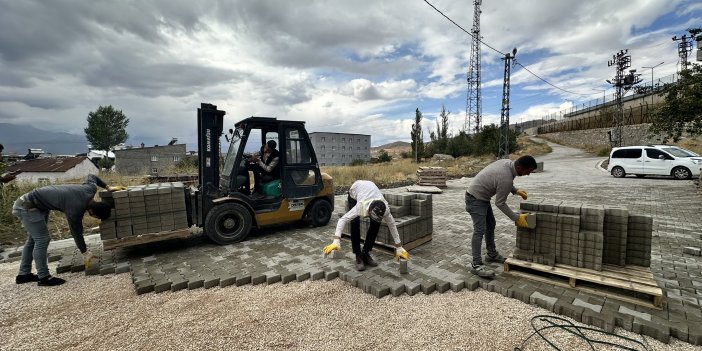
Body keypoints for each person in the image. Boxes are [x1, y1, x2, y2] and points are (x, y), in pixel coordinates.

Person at [12, 174, 115, 286]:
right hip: (27, 207)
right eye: (97, 217)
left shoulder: (90, 189)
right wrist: (85, 252)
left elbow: (91, 177)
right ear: (92, 213)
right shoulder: (76, 209)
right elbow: (76, 232)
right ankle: (44, 277)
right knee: (42, 239)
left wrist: (107, 187)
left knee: (33, 240)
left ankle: (23, 275)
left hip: (37, 205)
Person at [465, 155, 537, 279]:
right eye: (527, 171)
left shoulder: (508, 164)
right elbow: (500, 203)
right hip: (475, 199)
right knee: (479, 230)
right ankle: (476, 264)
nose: (528, 174)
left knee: (491, 224)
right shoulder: (506, 177)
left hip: (481, 197)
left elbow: (501, 181)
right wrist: (516, 218)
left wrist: (514, 190)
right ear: (519, 167)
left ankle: (491, 254)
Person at [322, 180, 409, 271]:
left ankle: (365, 252)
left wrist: (399, 246)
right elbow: (343, 219)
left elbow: (392, 225)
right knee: (354, 223)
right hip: (355, 193)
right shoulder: (361, 206)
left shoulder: (385, 208)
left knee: (375, 224)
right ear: (369, 210)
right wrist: (336, 240)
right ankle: (358, 256)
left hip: (369, 190)